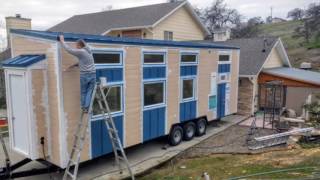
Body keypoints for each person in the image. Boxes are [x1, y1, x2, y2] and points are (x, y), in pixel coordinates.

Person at [59, 35, 96, 113]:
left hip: (85, 75)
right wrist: (71, 67)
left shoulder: (81, 51)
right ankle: (87, 107)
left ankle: (85, 107)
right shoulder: (89, 51)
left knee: (83, 92)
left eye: (76, 45)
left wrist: (62, 41)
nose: (76, 47)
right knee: (89, 91)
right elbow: (81, 63)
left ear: (79, 45)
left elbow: (69, 50)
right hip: (92, 74)